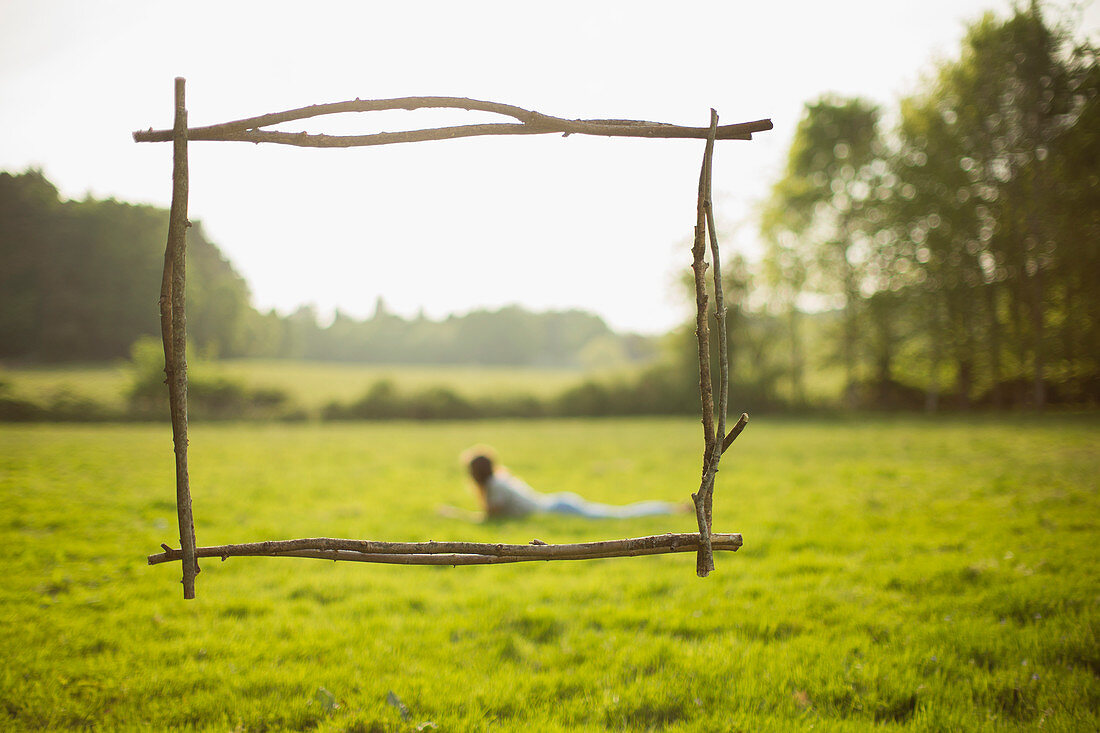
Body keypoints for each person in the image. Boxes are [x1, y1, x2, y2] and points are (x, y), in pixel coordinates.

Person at [452, 446, 690, 521]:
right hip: (558, 504)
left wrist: (454, 515)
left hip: (558, 509)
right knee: (619, 514)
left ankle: (674, 510)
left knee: (620, 515)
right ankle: (673, 509)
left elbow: (489, 520)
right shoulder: (499, 480)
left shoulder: (494, 487)